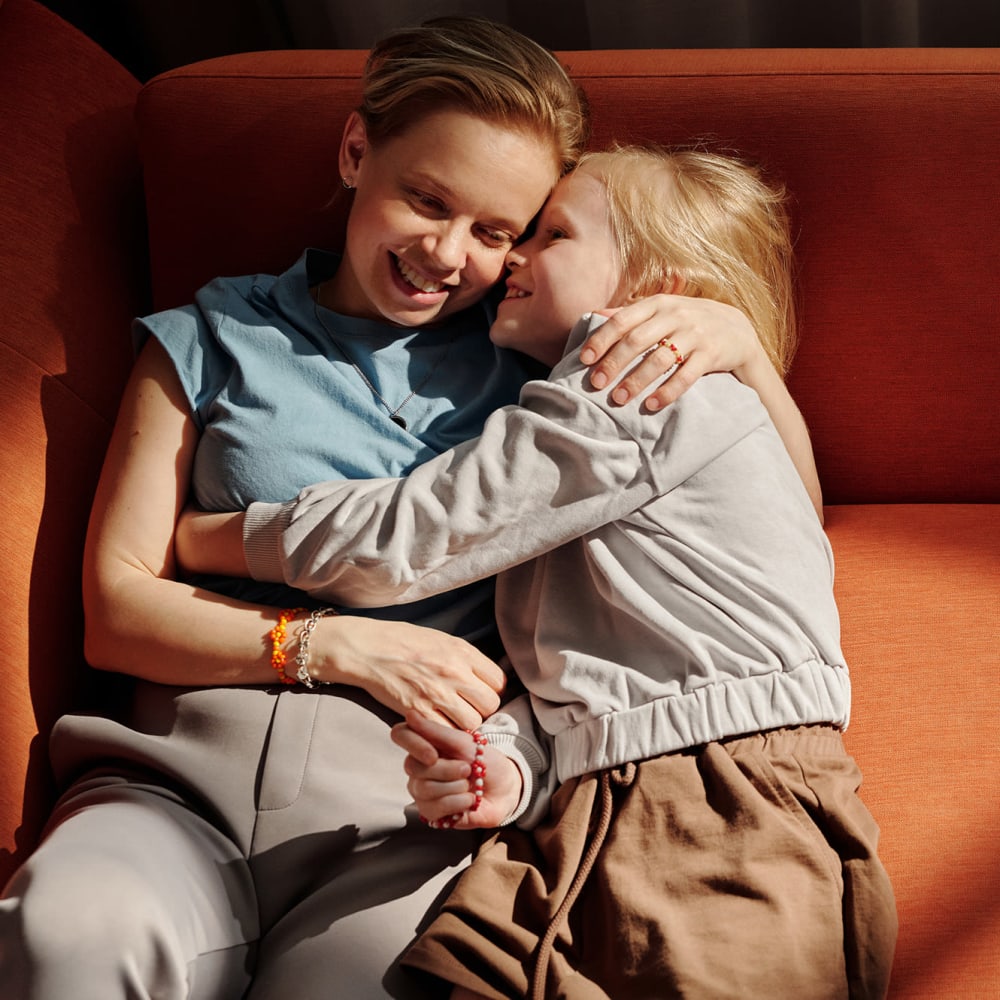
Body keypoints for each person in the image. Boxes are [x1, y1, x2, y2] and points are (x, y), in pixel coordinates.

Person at [0, 15, 821, 1000]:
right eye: (425, 199)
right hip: (172, 792)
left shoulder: (545, 364)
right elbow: (115, 610)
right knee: (68, 936)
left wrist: (734, 342)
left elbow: (779, 513)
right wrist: (326, 645)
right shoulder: (213, 335)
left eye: (498, 232)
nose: (446, 253)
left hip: (406, 831)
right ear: (357, 152)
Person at [177, 145, 898, 999]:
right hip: (599, 804)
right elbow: (603, 681)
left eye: (552, 234)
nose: (512, 254)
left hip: (723, 810)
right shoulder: (635, 421)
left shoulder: (639, 387)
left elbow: (421, 531)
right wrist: (510, 763)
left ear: (659, 288)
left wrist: (211, 540)